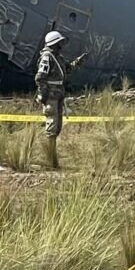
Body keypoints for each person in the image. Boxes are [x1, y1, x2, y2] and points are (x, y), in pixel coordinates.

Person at [35, 30, 86, 168]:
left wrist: (78, 62)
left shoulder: (57, 57)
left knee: (57, 126)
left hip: (58, 95)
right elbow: (40, 77)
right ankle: (50, 158)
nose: (61, 45)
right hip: (51, 96)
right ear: (54, 44)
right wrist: (43, 95)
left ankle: (52, 157)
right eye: (59, 43)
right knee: (51, 126)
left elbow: (66, 70)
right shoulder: (47, 57)